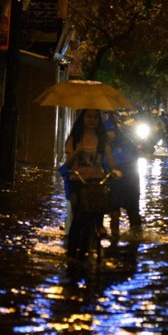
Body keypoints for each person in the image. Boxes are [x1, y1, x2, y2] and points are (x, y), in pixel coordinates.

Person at [61, 109, 121, 258]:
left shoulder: (102, 139)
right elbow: (68, 165)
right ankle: (72, 253)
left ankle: (95, 244)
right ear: (83, 118)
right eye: (89, 116)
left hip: (96, 182)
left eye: (95, 117)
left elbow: (111, 160)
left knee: (97, 214)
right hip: (78, 182)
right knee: (78, 217)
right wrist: (77, 152)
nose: (92, 120)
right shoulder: (75, 138)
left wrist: (115, 171)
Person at [104, 118, 142, 237]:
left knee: (133, 211)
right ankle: (114, 238)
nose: (109, 134)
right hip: (112, 183)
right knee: (114, 212)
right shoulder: (102, 147)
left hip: (129, 182)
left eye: (111, 131)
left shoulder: (126, 144)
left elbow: (131, 160)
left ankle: (136, 236)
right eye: (106, 131)